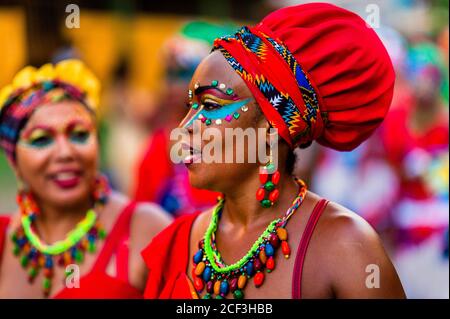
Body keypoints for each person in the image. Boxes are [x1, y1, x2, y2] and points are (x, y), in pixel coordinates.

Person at [141, 3, 405, 299]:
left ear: (271, 127)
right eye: (191, 106)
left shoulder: (346, 249)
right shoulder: (177, 243)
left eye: (211, 106)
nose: (185, 126)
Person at [0, 60, 172, 298]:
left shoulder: (145, 230)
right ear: (13, 160)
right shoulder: (3, 238)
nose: (65, 152)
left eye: (79, 134)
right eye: (41, 139)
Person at [133, 21, 235, 216]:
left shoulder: (239, 144)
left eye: (182, 74)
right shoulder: (158, 146)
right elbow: (140, 217)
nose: (170, 86)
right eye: (168, 74)